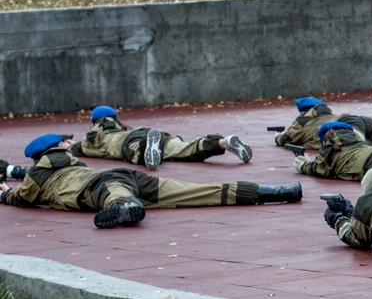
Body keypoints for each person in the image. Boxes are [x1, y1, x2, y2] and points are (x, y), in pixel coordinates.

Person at [0, 133, 302, 229]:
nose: (70, 142)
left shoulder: (40, 172)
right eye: (65, 141)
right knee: (201, 191)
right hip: (127, 177)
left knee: (115, 197)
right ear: (56, 147)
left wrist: (4, 195)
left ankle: (125, 206)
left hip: (102, 186)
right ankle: (279, 192)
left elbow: (23, 197)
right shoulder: (68, 161)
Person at [70, 106, 253, 170]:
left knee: (134, 152)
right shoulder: (125, 128)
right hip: (150, 133)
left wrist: (68, 145)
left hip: (129, 142)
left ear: (94, 122)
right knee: (187, 149)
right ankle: (222, 142)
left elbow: (75, 149)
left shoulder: (92, 139)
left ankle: (148, 148)